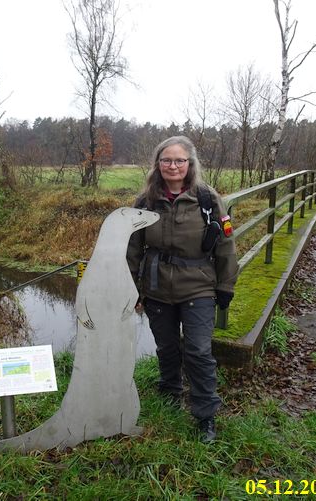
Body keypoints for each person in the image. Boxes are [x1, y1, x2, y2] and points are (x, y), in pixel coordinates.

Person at [126, 135, 239, 443]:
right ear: (157, 164)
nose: (172, 166)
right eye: (166, 160)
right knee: (167, 347)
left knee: (198, 351)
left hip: (198, 286)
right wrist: (132, 288)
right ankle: (170, 391)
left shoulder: (207, 199)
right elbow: (133, 248)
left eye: (179, 160)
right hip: (156, 286)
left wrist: (226, 284)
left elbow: (226, 244)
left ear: (190, 164)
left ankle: (205, 415)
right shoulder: (146, 200)